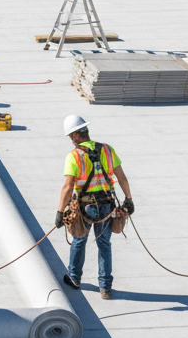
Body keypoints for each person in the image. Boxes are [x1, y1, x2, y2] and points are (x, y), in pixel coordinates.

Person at [55, 114, 134, 300]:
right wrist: (128, 198)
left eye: (71, 136)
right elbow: (122, 177)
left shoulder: (74, 156)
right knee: (104, 244)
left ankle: (74, 278)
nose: (71, 140)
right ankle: (105, 288)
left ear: (75, 135)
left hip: (85, 208)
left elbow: (68, 187)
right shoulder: (107, 150)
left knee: (79, 240)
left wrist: (59, 212)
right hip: (107, 205)